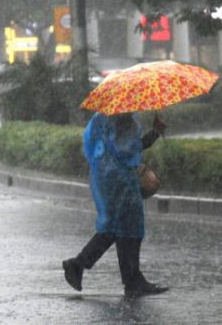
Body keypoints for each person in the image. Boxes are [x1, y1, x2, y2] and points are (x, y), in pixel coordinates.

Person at [62, 112, 169, 298]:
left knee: (116, 228)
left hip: (108, 177)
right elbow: (128, 149)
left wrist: (153, 133)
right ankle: (132, 281)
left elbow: (116, 148)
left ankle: (80, 265)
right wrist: (155, 133)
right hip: (119, 179)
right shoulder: (122, 118)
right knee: (129, 228)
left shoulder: (105, 117)